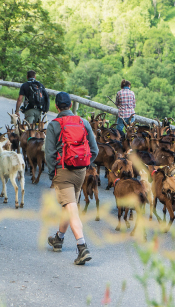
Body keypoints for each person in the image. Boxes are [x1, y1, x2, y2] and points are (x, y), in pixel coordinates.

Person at [45, 92, 99, 265]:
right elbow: (94, 149)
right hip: (81, 172)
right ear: (70, 105)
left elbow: (49, 154)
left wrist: (53, 174)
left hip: (63, 171)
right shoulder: (83, 122)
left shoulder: (54, 125)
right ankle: (58, 239)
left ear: (57, 107)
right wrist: (83, 164)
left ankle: (82, 247)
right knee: (70, 207)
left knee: (71, 209)